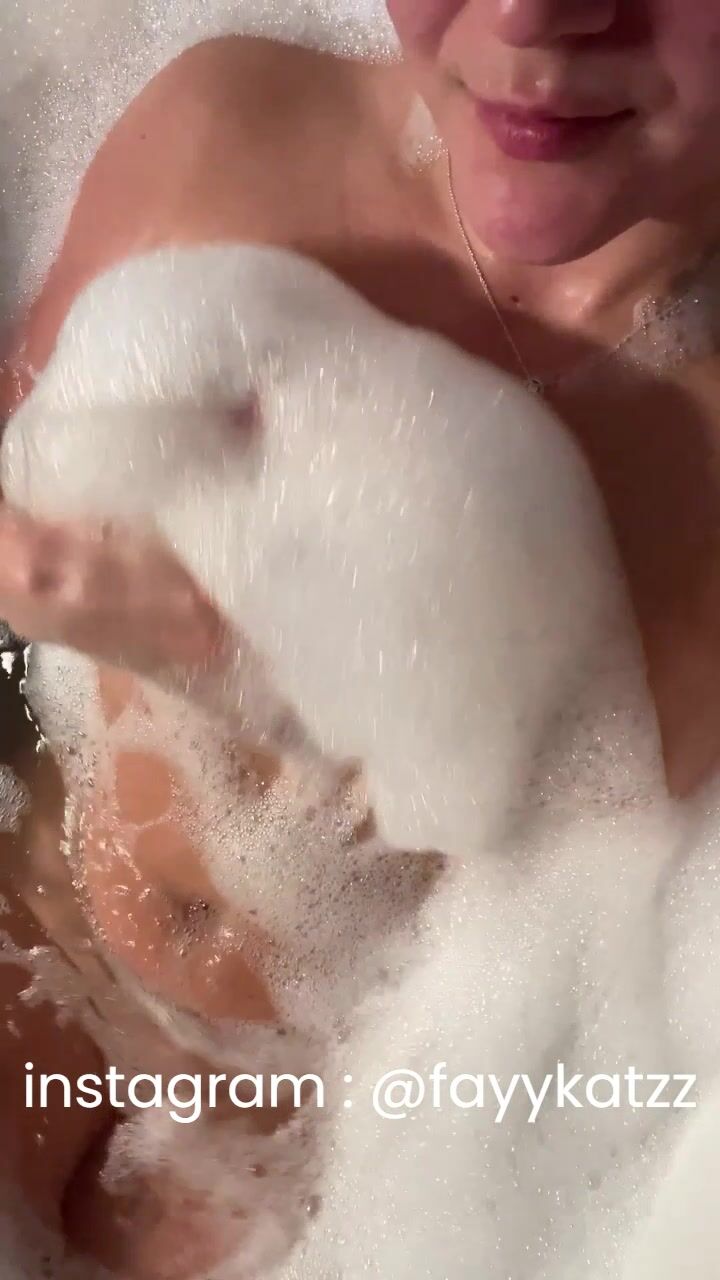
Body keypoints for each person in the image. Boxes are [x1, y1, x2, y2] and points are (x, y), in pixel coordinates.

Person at [1, 2, 720, 1274]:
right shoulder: (230, 138)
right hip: (49, 920)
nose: (529, 11)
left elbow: (620, 941)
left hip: (407, 1115)